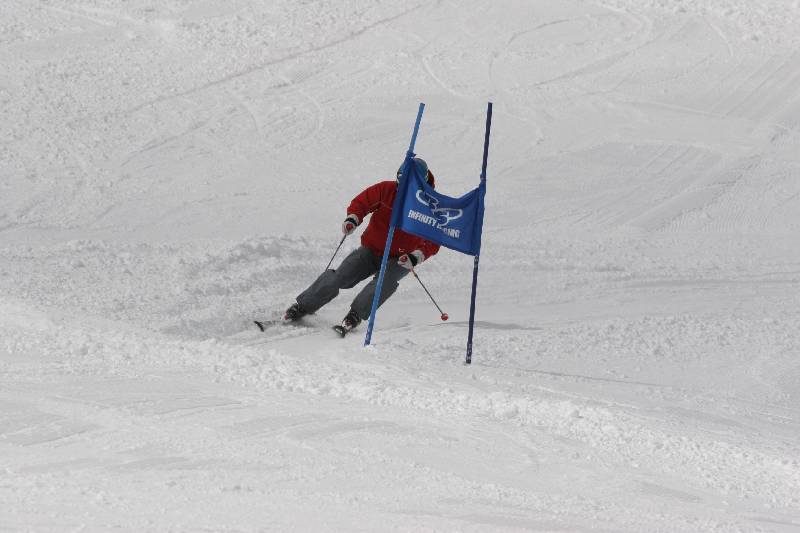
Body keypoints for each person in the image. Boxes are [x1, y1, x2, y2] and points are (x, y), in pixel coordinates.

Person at [284, 157, 440, 332]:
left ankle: (355, 315)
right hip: (371, 250)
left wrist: (416, 256)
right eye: (400, 180)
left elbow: (434, 239)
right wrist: (353, 218)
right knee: (340, 276)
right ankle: (303, 306)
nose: (402, 187)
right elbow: (362, 202)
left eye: (408, 183)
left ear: (421, 182)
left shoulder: (431, 205)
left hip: (402, 259)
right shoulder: (385, 189)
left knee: (384, 282)